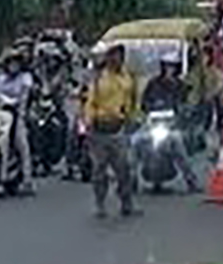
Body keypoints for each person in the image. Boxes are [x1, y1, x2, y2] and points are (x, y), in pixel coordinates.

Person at [84, 44, 140, 218]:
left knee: (124, 168)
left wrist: (134, 119)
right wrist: (88, 122)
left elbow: (133, 101)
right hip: (100, 128)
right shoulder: (99, 77)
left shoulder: (128, 77)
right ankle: (100, 204)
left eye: (119, 55)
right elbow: (90, 102)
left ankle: (127, 203)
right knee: (99, 170)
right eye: (113, 55)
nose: (116, 59)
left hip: (119, 127)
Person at [141, 53, 200, 192]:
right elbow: (143, 102)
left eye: (172, 66)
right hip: (152, 124)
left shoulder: (180, 85)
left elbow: (187, 102)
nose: (170, 69)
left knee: (179, 147)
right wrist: (149, 108)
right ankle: (130, 181)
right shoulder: (153, 83)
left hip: (171, 126)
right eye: (167, 66)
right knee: (135, 143)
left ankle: (191, 181)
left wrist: (184, 111)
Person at [0, 48, 36, 193]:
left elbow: (25, 94)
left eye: (16, 63)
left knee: (21, 143)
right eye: (11, 63)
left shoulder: (25, 78)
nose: (14, 65)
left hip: (17, 115)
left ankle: (27, 180)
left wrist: (16, 103)